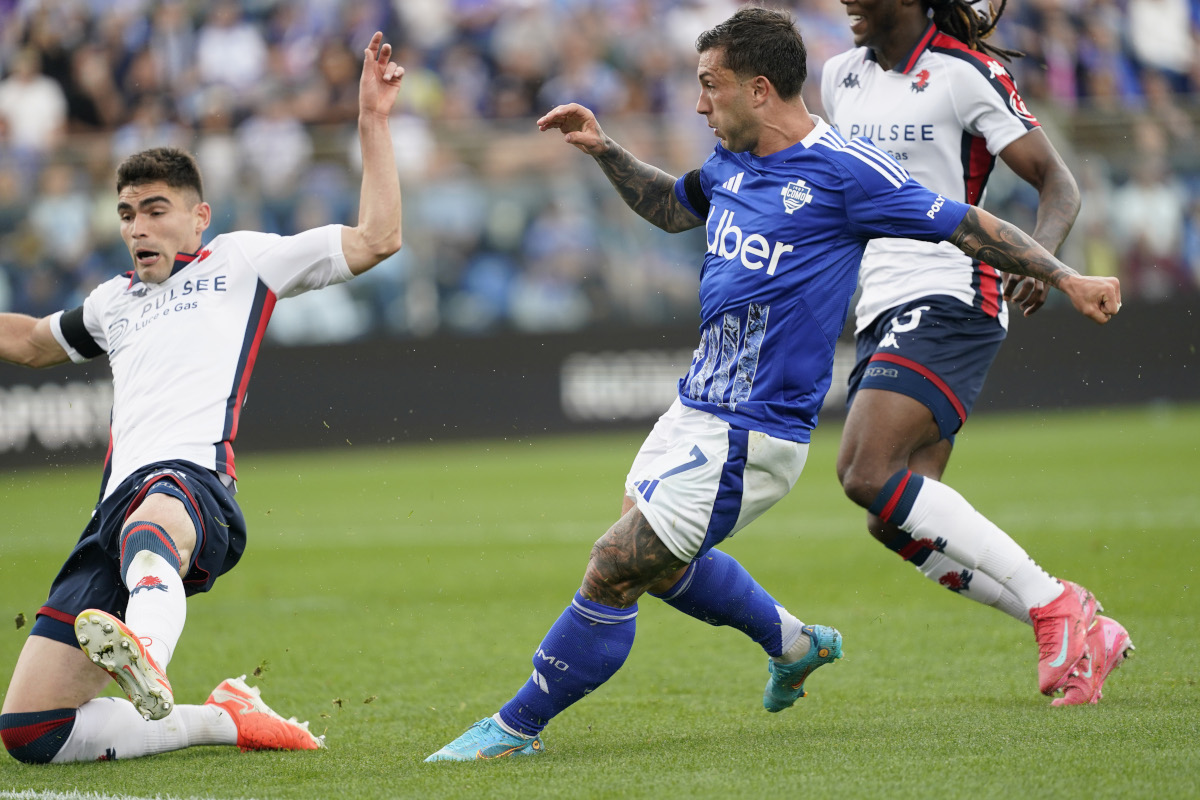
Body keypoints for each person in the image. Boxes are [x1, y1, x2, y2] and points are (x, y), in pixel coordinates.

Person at [425, 7, 1121, 762]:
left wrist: (1064, 274)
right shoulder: (732, 160)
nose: (698, 104)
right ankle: (792, 644)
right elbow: (670, 206)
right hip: (694, 405)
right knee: (662, 564)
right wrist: (605, 151)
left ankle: (514, 727)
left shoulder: (845, 172)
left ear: (759, 90)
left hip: (752, 432)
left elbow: (966, 225)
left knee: (618, 562)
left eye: (708, 87)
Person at [0, 32, 405, 764]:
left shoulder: (242, 259)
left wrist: (373, 123)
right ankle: (224, 718)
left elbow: (379, 237)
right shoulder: (112, 303)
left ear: (199, 217)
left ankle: (146, 652)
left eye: (155, 209)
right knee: (32, 733)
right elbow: (30, 339)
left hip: (192, 487)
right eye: (126, 214)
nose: (138, 227)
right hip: (111, 518)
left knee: (152, 518)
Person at [820, 0, 1132, 706]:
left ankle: (1056, 605)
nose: (844, 3)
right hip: (878, 305)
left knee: (864, 471)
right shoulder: (838, 76)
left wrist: (1043, 260)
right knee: (890, 516)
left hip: (953, 292)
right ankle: (1087, 628)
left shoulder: (966, 74)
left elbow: (1059, 182)